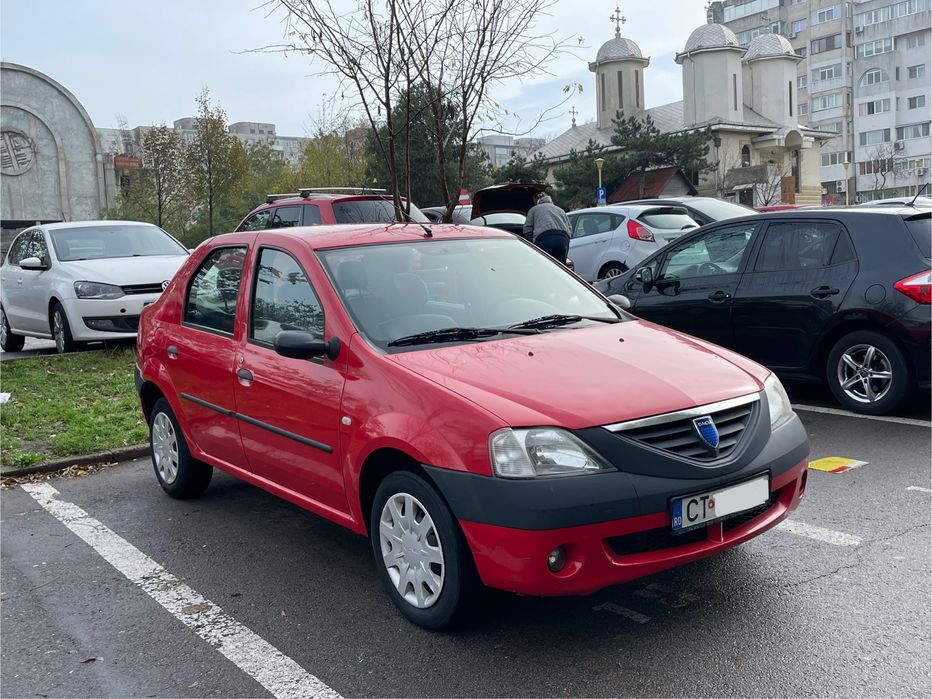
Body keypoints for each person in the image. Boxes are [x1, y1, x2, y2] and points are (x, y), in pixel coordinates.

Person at [523, 192, 571, 264]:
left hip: (544, 239)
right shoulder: (560, 210)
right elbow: (570, 228)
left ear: (538, 202)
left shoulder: (534, 209)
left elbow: (527, 229)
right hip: (562, 239)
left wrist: (533, 241)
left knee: (545, 265)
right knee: (560, 267)